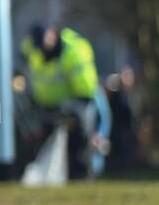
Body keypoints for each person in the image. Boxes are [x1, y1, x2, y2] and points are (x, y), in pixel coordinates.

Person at [19, 24, 103, 180]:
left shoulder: (74, 50)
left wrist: (71, 110)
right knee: (41, 144)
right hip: (45, 107)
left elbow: (84, 89)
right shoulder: (33, 49)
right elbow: (20, 59)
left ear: (53, 34)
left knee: (78, 139)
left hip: (76, 103)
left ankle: (80, 177)